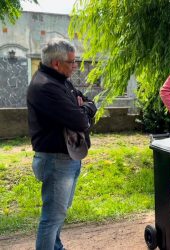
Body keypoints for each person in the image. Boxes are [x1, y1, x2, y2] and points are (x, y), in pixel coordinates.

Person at [27, 38, 97, 250]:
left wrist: (83, 108)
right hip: (56, 160)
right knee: (52, 217)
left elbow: (89, 102)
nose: (75, 66)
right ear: (57, 63)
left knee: (60, 213)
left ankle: (56, 247)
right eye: (72, 62)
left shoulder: (60, 80)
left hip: (67, 158)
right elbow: (80, 120)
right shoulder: (46, 86)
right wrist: (83, 111)